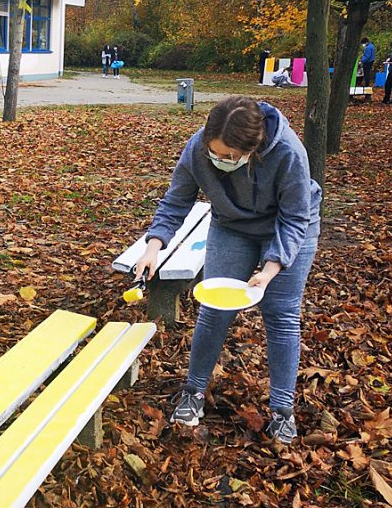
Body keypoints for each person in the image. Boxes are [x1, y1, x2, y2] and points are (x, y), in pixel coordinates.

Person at [132, 96, 321, 445]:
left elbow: (295, 217)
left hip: (290, 227)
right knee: (215, 308)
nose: (220, 162)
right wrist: (152, 248)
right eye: (215, 154)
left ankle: (282, 410)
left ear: (255, 148)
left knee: (281, 314)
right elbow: (176, 201)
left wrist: (269, 269)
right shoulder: (199, 147)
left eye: (230, 158)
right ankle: (193, 391)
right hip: (232, 226)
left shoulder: (289, 153)